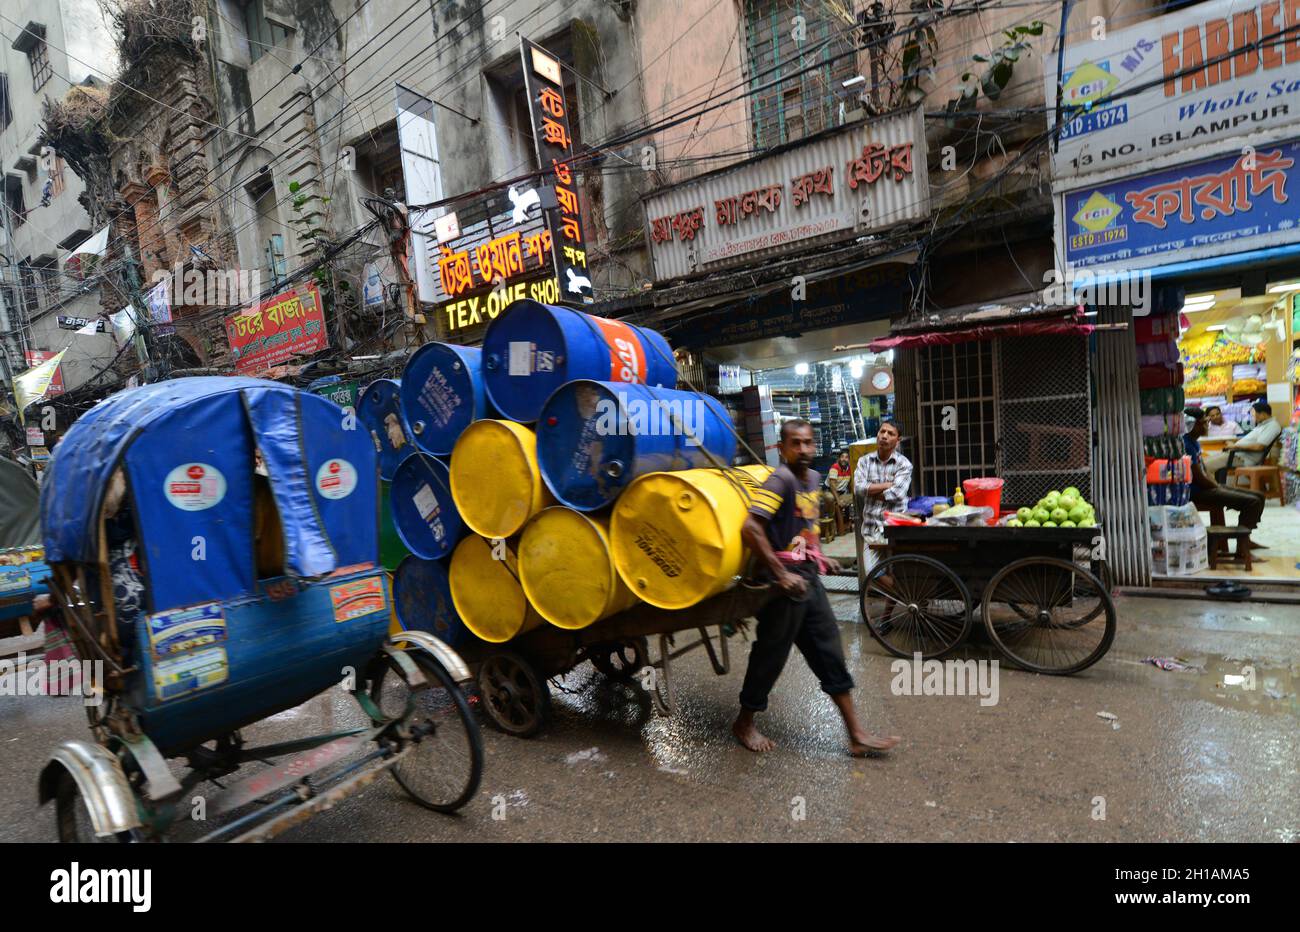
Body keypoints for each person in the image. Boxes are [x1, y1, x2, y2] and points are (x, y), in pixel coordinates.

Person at [733, 418, 900, 757]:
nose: (804, 450)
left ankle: (855, 735)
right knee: (770, 657)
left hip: (807, 578)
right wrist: (780, 574)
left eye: (808, 442)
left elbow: (807, 524)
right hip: (781, 587)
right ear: (781, 448)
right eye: (795, 443)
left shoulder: (811, 478)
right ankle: (744, 722)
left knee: (829, 654)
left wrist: (820, 555)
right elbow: (750, 528)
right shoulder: (779, 480)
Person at [1185, 408, 1264, 546]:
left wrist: (1217, 485)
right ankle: (1242, 546)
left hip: (1205, 487)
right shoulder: (1186, 444)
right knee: (1252, 502)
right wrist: (1216, 486)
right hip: (1197, 492)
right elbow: (1199, 478)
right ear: (1195, 424)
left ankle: (1246, 539)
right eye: (1204, 422)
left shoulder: (1194, 442)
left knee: (1259, 496)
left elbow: (1204, 470)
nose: (1207, 426)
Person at [852, 422, 912, 576]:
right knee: (872, 574)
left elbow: (897, 494)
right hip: (871, 528)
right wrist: (888, 485)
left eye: (890, 433)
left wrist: (870, 490)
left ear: (898, 440)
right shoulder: (864, 461)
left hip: (896, 530)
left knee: (900, 574)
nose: (884, 436)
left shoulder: (904, 464)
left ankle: (896, 598)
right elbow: (858, 489)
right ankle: (899, 595)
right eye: (882, 431)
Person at [1204, 401, 1281, 479]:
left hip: (1242, 458)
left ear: (1263, 414)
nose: (1252, 417)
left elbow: (1259, 447)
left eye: (1253, 414)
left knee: (1203, 466)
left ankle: (1210, 490)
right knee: (1202, 462)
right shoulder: (1263, 425)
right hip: (1236, 454)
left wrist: (1235, 446)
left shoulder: (1272, 426)